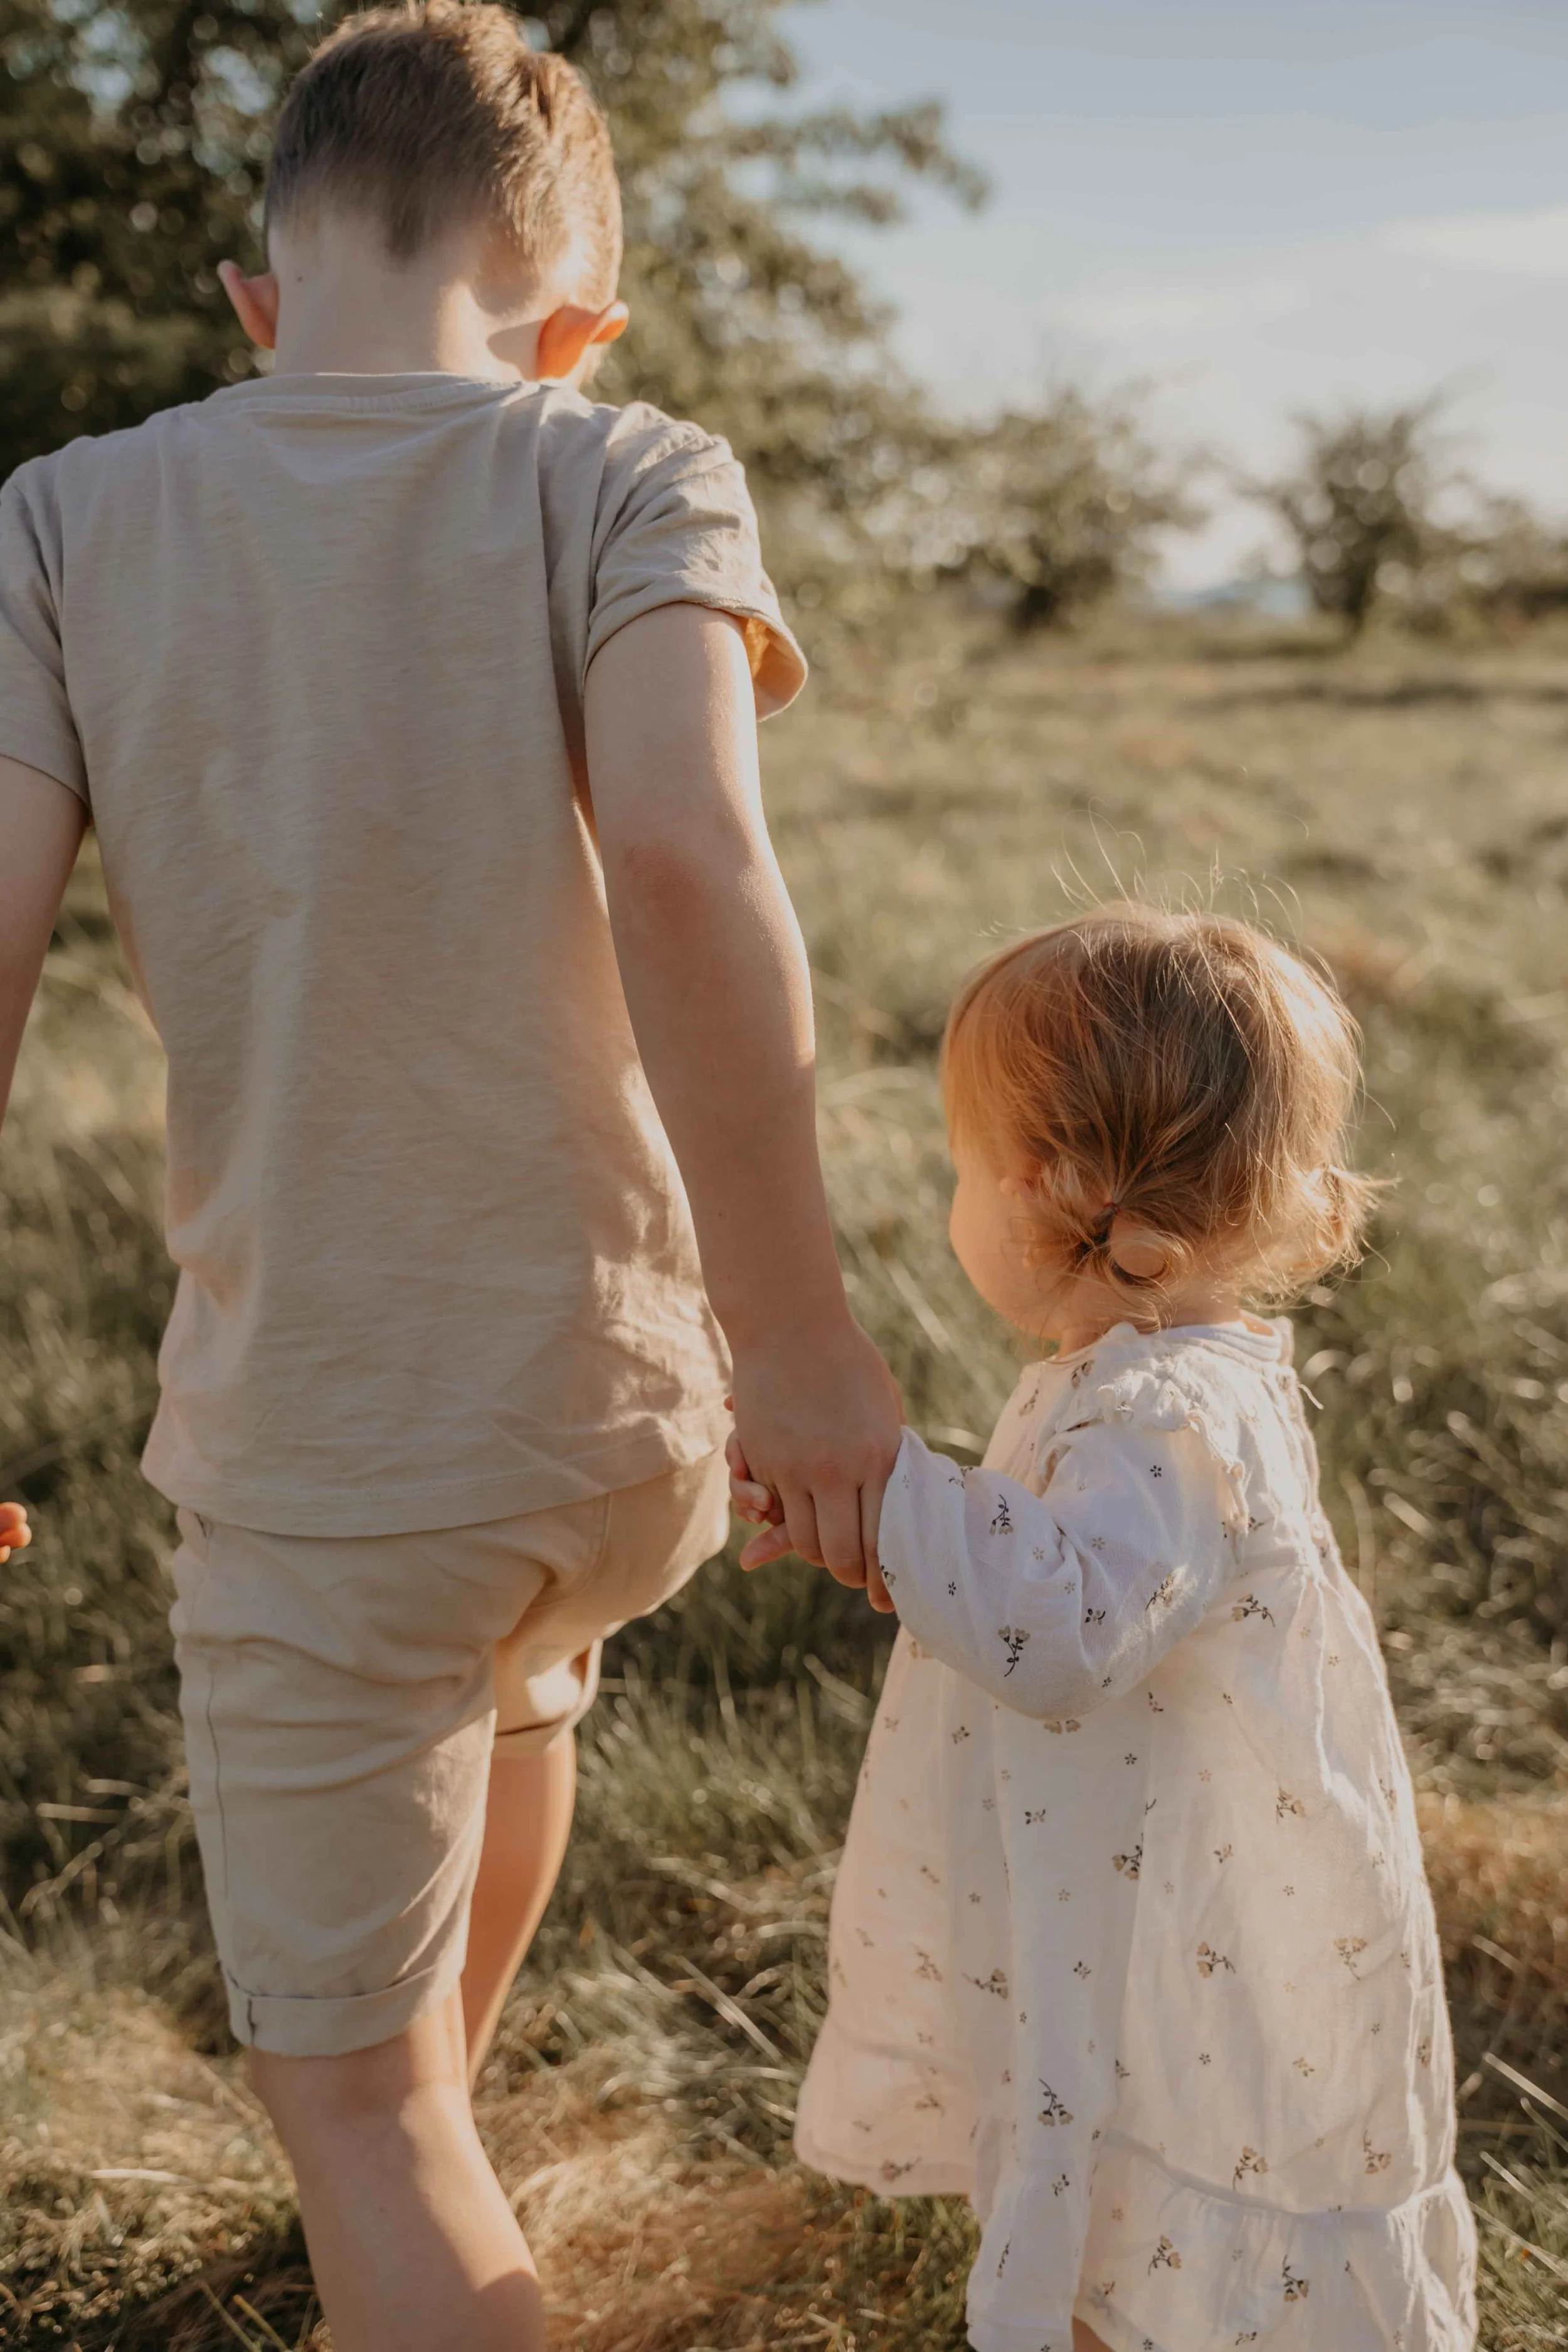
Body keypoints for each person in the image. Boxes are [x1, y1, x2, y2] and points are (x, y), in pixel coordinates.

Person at [0, 9, 901, 2346]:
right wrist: (803, 1344)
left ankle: (409, 2211)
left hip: (338, 1440)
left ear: (255, 297)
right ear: (580, 320)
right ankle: (436, 2197)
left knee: (358, 2114)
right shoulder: (634, 464)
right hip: (622, 1417)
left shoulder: (67, 517)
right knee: (517, 1685)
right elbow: (691, 863)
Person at [733, 906, 1477, 2352]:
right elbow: (1066, 1585)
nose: (953, 1200)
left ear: (1042, 1189)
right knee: (1124, 2220)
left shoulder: (1164, 1413)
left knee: (1170, 2228)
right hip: (1141, 1896)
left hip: (1195, 1935)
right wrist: (892, 1543)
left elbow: (1063, 1633)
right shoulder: (1160, 1379)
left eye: (959, 1167)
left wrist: (891, 1491)